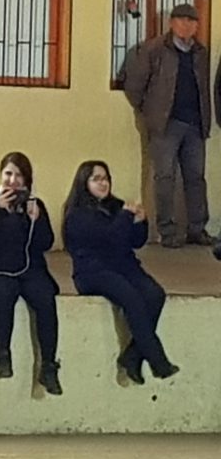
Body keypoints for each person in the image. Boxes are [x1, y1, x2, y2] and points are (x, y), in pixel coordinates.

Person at [62, 161, 179, 385]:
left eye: (105, 178)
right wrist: (126, 217)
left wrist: (140, 222)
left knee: (154, 294)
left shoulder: (115, 206)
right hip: (93, 272)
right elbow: (108, 237)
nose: (103, 183)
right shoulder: (77, 214)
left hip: (123, 266)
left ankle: (133, 355)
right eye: (96, 179)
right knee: (131, 298)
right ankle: (157, 360)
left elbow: (135, 241)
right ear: (83, 183)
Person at [120, 3, 216, 248]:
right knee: (164, 177)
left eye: (191, 21)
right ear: (171, 23)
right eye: (181, 20)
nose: (186, 25)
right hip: (165, 123)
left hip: (195, 123)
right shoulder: (154, 49)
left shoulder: (200, 52)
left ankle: (197, 228)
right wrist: (149, 112)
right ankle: (167, 230)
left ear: (196, 25)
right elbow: (134, 85)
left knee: (196, 178)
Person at [0, 152, 62, 395]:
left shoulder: (34, 204)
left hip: (29, 267)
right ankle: (2, 355)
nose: (12, 180)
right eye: (8, 173)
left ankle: (49, 366)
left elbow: (45, 242)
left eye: (19, 175)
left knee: (44, 298)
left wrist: (36, 220)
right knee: (6, 292)